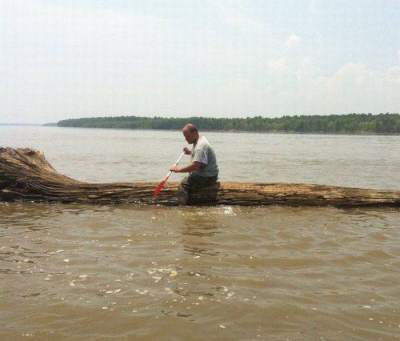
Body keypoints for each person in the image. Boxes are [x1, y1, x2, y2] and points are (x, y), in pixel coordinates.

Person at [169, 123, 219, 204]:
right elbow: (201, 156)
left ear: (195, 133)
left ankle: (182, 207)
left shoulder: (200, 146)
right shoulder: (200, 139)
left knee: (183, 185)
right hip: (211, 174)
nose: (186, 139)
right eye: (185, 137)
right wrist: (190, 152)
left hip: (207, 177)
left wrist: (178, 169)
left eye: (187, 136)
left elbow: (195, 166)